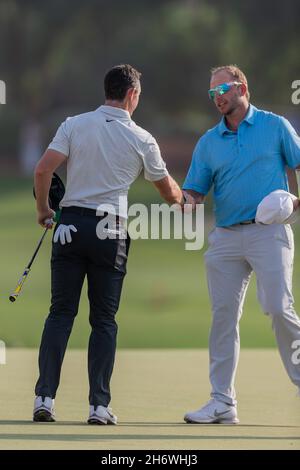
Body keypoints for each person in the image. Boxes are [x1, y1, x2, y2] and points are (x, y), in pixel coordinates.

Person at [33, 64, 184, 424]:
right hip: (109, 232)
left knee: (60, 314)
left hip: (68, 226)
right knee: (103, 320)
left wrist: (44, 211)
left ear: (107, 90)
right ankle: (99, 406)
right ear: (132, 95)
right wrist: (184, 197)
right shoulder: (142, 138)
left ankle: (44, 399)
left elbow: (43, 170)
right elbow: (168, 193)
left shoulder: (74, 124)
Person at [182, 64, 300, 424]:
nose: (217, 98)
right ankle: (222, 402)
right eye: (211, 94)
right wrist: (174, 195)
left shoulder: (274, 126)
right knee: (223, 318)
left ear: (241, 87)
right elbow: (194, 194)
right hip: (227, 238)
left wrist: (295, 202)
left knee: (279, 308)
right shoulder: (208, 142)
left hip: (269, 233)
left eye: (222, 91)